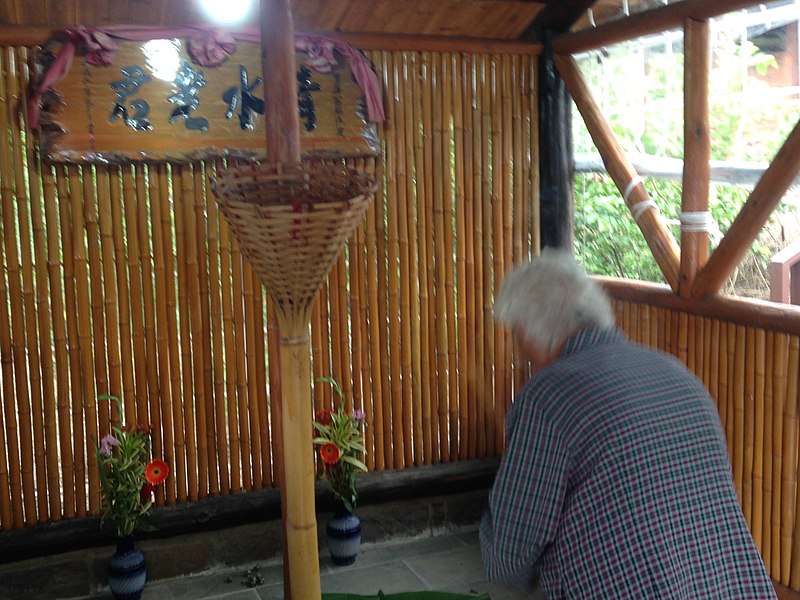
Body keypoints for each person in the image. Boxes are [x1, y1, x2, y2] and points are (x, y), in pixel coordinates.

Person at [480, 249, 776, 598]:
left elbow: (508, 554)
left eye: (516, 331)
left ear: (528, 329)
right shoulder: (678, 374)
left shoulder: (547, 397)